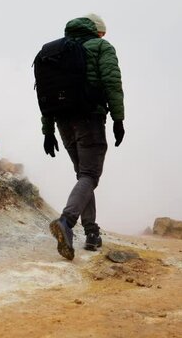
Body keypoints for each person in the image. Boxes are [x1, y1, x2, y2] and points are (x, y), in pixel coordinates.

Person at [43, 14, 125, 260]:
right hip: (89, 118)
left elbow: (45, 92)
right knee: (90, 175)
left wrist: (47, 130)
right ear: (97, 32)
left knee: (83, 176)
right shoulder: (101, 47)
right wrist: (119, 119)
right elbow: (112, 82)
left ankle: (91, 232)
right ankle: (66, 222)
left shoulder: (54, 50)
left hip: (62, 121)